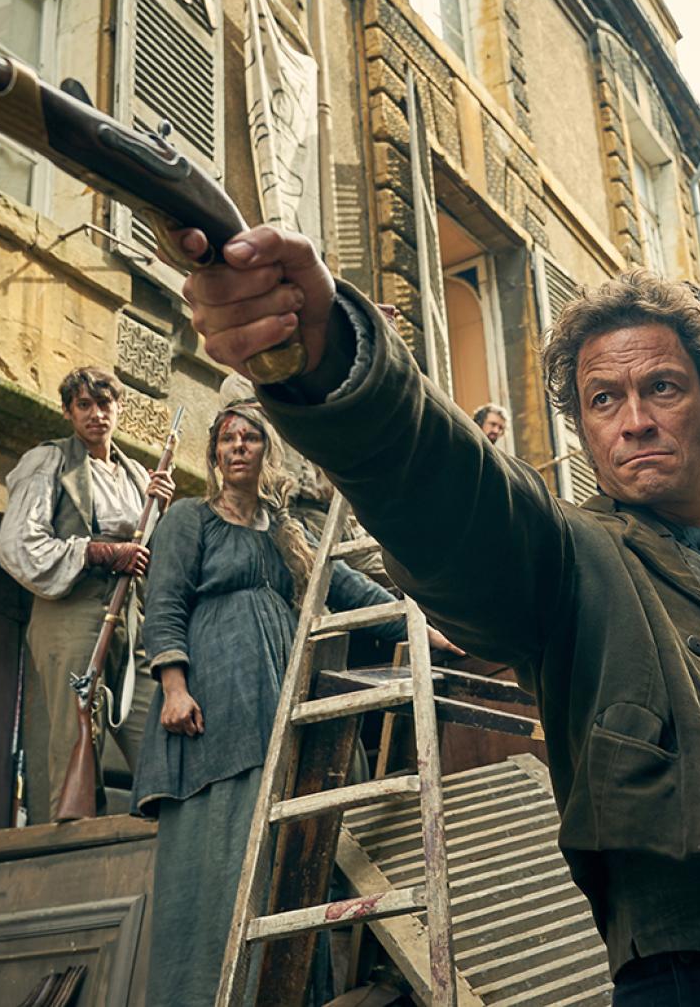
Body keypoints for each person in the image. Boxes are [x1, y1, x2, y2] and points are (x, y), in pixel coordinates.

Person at [171, 224, 700, 1006]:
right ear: (583, 429)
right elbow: (454, 493)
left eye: (662, 387)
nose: (635, 420)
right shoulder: (574, 561)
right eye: (603, 399)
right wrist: (332, 364)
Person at [131, 400, 461, 1006]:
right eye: (227, 438)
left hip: (283, 696)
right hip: (219, 701)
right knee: (228, 841)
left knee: (290, 846)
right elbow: (166, 605)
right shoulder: (188, 519)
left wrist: (425, 630)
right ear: (214, 453)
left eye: (249, 438)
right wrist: (174, 687)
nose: (237, 447)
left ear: (267, 452)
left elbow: (348, 586)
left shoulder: (286, 531)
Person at [0, 366, 173, 823]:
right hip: (72, 612)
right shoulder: (50, 462)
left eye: (105, 404)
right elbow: (19, 546)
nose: (97, 415)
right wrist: (98, 552)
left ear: (118, 409)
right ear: (68, 412)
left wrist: (161, 512)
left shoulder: (137, 475)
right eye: (84, 406)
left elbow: (150, 555)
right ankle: (71, 845)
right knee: (75, 740)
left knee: (158, 728)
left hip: (131, 619)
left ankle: (172, 833)